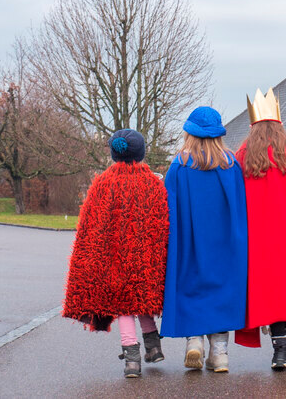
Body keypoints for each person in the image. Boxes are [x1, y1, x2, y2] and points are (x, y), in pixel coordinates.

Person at [63, 129, 169, 379]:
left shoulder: (102, 183)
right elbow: (163, 222)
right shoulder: (152, 183)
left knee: (123, 306)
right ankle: (153, 347)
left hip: (114, 261)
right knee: (141, 298)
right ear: (141, 154)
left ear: (114, 154)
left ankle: (132, 359)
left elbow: (91, 226)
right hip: (145, 259)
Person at [234, 88, 286, 370]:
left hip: (259, 237)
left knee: (269, 291)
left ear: (252, 126)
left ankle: (281, 349)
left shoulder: (243, 154)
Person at [160, 107, 248, 373]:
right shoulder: (231, 165)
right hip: (224, 246)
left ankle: (194, 342)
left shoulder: (179, 166)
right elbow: (241, 207)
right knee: (222, 293)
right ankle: (219, 353)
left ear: (190, 134)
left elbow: (168, 209)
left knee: (190, 288)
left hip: (189, 244)